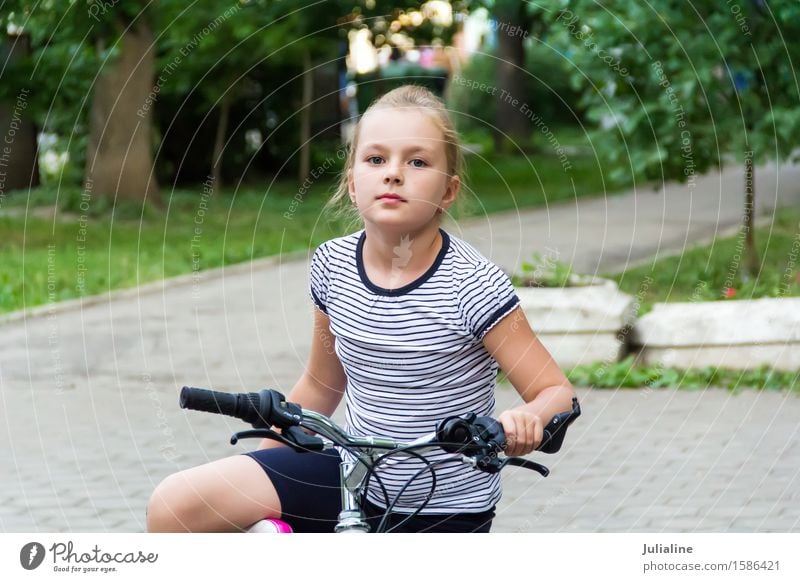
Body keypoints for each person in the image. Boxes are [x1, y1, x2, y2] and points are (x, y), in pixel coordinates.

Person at [146, 85, 577, 533]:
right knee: (178, 504)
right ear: (352, 184)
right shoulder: (333, 264)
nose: (394, 174)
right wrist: (255, 471)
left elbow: (556, 392)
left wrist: (525, 421)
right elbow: (321, 383)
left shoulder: (473, 284)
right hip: (353, 479)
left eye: (417, 162)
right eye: (375, 159)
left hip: (442, 506)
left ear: (449, 191)